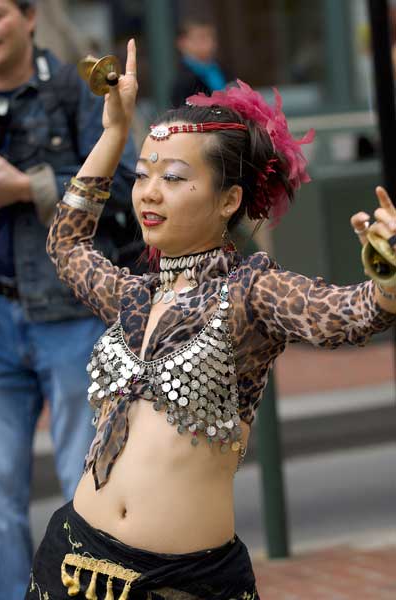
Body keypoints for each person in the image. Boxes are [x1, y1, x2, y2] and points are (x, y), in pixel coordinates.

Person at [26, 39, 396, 599]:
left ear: (228, 201)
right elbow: (67, 243)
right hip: (71, 563)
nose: (150, 192)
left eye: (174, 178)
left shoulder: (251, 293)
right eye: (144, 175)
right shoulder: (133, 295)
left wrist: (388, 278)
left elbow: (349, 315)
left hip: (182, 584)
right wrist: (112, 135)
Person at [0, 1, 140, 597]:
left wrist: (27, 186)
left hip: (70, 313)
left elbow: (131, 190)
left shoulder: (79, 87)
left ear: (30, 19)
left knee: (86, 482)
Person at [171, 18, 232, 108]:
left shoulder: (223, 68)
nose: (208, 42)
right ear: (182, 43)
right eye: (201, 37)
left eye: (210, 36)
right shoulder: (183, 79)